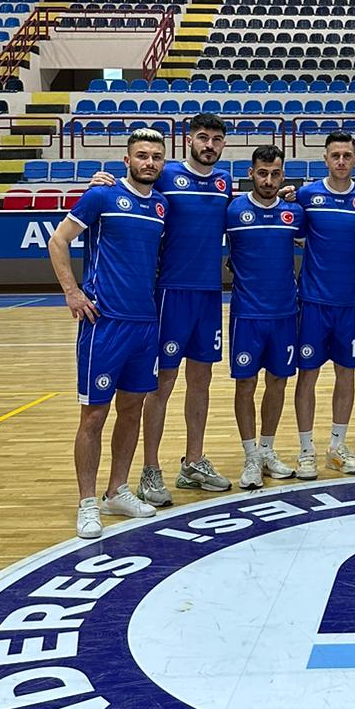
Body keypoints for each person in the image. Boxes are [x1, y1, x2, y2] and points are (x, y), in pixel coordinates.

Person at [47, 128, 167, 540]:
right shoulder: (102, 195)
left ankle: (117, 491)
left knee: (132, 409)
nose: (149, 162)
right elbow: (58, 240)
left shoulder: (162, 206)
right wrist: (71, 291)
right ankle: (87, 502)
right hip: (104, 324)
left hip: (145, 324)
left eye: (156, 156)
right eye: (142, 155)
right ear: (126, 160)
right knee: (94, 415)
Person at [138, 112, 234, 502]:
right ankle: (150, 470)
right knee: (162, 383)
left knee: (201, 381)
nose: (209, 145)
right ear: (189, 139)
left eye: (216, 139)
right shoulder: (165, 175)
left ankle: (193, 462)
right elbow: (134, 188)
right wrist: (104, 180)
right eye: (203, 137)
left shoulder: (225, 181)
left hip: (209, 294)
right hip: (171, 294)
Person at [293, 131, 355, 474]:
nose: (341, 161)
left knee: (346, 374)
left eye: (347, 155)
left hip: (350, 303)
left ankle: (336, 446)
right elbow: (297, 236)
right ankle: (305, 449)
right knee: (307, 376)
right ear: (325, 159)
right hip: (313, 301)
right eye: (335, 155)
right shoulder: (307, 195)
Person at [225, 144, 305, 488]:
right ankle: (250, 457)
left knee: (278, 382)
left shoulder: (294, 213)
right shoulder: (233, 210)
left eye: (275, 174)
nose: (269, 181)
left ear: (283, 175)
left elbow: (321, 242)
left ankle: (267, 450)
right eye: (262, 173)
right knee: (246, 384)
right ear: (251, 173)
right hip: (247, 315)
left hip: (286, 313)